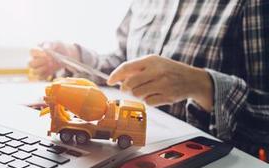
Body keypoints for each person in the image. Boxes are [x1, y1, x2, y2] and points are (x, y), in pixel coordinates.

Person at [28, 0, 268, 157]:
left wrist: (202, 85)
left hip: (206, 165)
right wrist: (75, 56)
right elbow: (120, 65)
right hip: (131, 155)